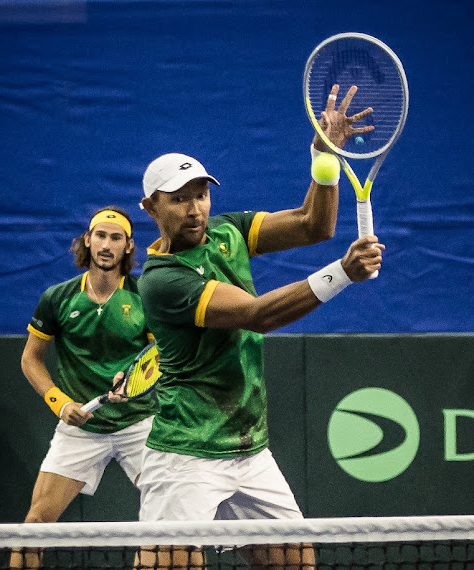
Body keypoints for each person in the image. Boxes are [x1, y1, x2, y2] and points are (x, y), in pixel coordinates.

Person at [135, 85, 385, 569]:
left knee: (297, 563)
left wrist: (324, 156)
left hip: (249, 450)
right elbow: (257, 315)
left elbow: (314, 225)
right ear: (151, 208)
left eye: (201, 195)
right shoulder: (162, 281)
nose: (195, 209)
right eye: (179, 199)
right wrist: (342, 274)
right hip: (186, 455)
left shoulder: (227, 231)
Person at [10, 206, 158, 569]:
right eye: (101, 235)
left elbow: (163, 358)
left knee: (167, 526)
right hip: (80, 429)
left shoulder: (145, 297)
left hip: (139, 426)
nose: (106, 244)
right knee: (34, 526)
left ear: (128, 247)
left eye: (116, 237)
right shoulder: (57, 298)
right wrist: (60, 404)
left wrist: (137, 381)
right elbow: (31, 359)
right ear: (88, 240)